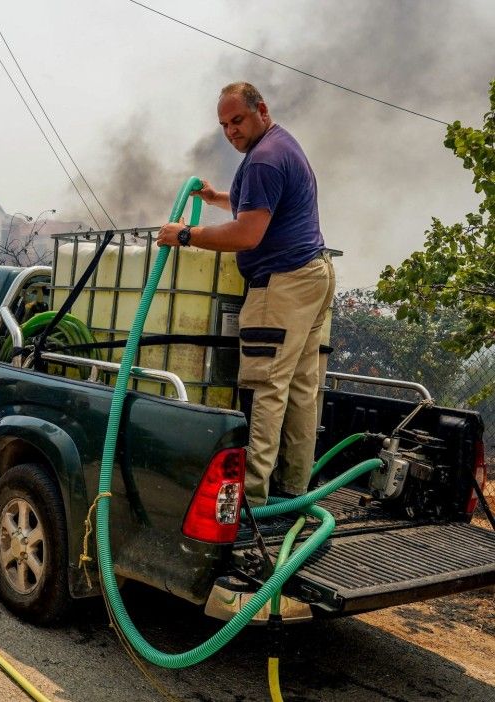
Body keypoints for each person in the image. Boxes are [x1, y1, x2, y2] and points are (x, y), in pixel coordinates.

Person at [156, 82, 335, 506]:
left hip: (281, 285)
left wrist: (185, 234)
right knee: (300, 389)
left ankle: (250, 501)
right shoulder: (282, 145)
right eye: (223, 124)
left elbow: (248, 233)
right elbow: (254, 205)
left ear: (261, 110)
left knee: (263, 388)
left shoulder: (263, 160)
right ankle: (293, 491)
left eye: (237, 120)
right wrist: (214, 197)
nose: (230, 131)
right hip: (314, 274)